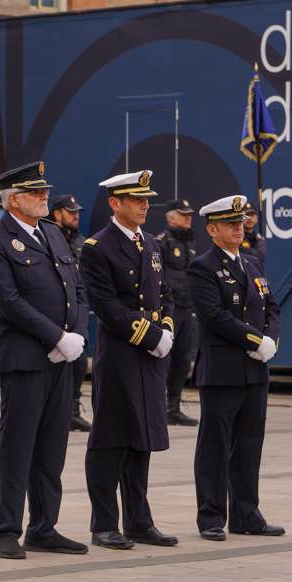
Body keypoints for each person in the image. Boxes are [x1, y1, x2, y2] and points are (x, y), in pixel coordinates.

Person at [0, 163, 89, 560]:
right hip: (23, 357)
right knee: (17, 447)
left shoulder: (53, 233)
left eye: (44, 192)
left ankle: (44, 527)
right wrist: (55, 336)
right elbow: (7, 301)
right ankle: (5, 529)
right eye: (36, 193)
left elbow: (76, 288)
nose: (45, 197)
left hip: (62, 357)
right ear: (14, 200)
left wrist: (75, 334)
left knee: (51, 445)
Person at [79, 170, 178, 551]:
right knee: (110, 440)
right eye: (136, 199)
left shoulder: (151, 243)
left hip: (151, 355)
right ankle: (104, 523)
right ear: (114, 203)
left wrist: (167, 328)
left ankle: (139, 520)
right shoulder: (97, 247)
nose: (144, 205)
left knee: (142, 439)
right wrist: (151, 336)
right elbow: (106, 305)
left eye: (146, 199)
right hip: (121, 352)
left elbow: (164, 292)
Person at [189, 195, 284, 541]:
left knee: (249, 444)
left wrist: (271, 339)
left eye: (241, 221)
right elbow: (215, 316)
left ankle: (246, 513)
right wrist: (255, 341)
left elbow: (272, 306)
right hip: (223, 370)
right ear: (212, 229)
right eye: (230, 223)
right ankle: (211, 516)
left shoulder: (252, 263)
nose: (238, 227)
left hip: (255, 371)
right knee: (215, 446)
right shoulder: (203, 266)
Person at [50, 194, 91, 432]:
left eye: (77, 212)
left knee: (79, 364)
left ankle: (73, 411)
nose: (76, 216)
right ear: (57, 214)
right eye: (70, 212)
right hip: (56, 314)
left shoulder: (81, 242)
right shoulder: (49, 238)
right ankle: (60, 412)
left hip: (77, 312)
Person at [156, 198, 199, 427]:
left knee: (183, 359)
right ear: (171, 217)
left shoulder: (190, 243)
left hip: (187, 308)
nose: (188, 217)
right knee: (165, 359)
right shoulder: (161, 242)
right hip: (169, 310)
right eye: (183, 214)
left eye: (189, 214)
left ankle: (174, 407)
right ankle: (158, 407)